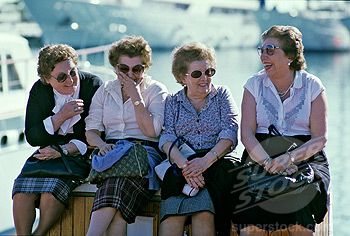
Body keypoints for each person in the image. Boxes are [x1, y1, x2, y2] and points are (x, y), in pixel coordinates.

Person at [233, 25, 330, 235]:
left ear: (290, 56)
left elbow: (320, 138)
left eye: (270, 50)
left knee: (301, 207)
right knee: (250, 213)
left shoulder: (313, 86)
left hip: (306, 155)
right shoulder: (253, 84)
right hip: (260, 154)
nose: (263, 56)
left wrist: (289, 159)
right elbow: (247, 135)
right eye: (261, 50)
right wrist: (269, 163)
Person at [12, 44, 103, 235]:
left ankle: (40, 233)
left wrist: (63, 150)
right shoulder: (39, 90)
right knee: (21, 193)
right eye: (62, 77)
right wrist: (60, 116)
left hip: (80, 152)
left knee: (50, 194)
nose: (70, 80)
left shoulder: (92, 85)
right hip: (48, 152)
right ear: (47, 79)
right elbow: (32, 136)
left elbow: (99, 134)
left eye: (73, 72)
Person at [85, 35, 168, 236]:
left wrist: (136, 97)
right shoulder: (105, 90)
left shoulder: (156, 90)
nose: (130, 74)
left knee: (116, 185)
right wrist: (102, 145)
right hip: (112, 153)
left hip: (143, 154)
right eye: (124, 69)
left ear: (145, 68)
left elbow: (152, 131)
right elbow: (91, 131)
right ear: (115, 67)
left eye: (137, 69)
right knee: (119, 214)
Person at [158, 42, 239, 236]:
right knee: (171, 218)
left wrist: (204, 162)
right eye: (197, 74)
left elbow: (230, 132)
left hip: (217, 162)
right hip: (183, 164)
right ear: (182, 77)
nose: (205, 78)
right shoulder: (172, 101)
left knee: (203, 214)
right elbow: (167, 138)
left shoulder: (222, 95)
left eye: (209, 72)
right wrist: (187, 167)